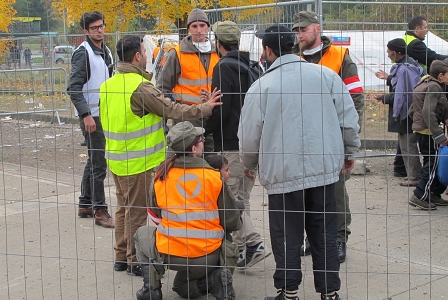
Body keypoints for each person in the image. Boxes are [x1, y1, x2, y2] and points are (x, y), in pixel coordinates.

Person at [239, 24, 360, 300]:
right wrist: (349, 152)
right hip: (323, 171)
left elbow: (248, 135)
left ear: (268, 50)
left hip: (283, 175)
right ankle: (329, 293)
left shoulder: (261, 86)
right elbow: (348, 120)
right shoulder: (326, 76)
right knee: (324, 233)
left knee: (286, 236)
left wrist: (249, 163)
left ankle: (288, 292)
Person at [99, 35, 223, 277]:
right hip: (139, 161)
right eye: (145, 53)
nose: (147, 57)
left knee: (123, 207)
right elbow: (171, 109)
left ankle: (121, 255)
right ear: (137, 56)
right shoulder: (140, 87)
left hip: (115, 158)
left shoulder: (109, 84)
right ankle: (135, 260)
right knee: (136, 210)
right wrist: (204, 109)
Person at [133, 121, 242, 300]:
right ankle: (215, 279)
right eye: (201, 140)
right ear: (194, 149)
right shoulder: (213, 178)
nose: (203, 143)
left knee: (141, 234)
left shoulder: (161, 177)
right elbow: (232, 221)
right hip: (206, 256)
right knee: (183, 287)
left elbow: (154, 214)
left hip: (169, 252)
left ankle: (151, 290)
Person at [292, 11, 365, 263]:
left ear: (317, 29)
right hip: (302, 135)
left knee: (335, 189)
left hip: (332, 136)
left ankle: (338, 238)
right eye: (296, 31)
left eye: (303, 29)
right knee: (306, 189)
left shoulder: (341, 58)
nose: (299, 34)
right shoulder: (293, 57)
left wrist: (349, 141)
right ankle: (314, 239)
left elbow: (356, 98)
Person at [204, 20, 271, 269]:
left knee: (229, 199)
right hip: (252, 143)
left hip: (231, 143)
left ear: (218, 43)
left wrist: (203, 126)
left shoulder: (223, 67)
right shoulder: (251, 67)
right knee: (241, 197)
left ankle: (252, 243)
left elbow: (222, 111)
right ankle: (244, 249)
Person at [67, 11, 114, 228]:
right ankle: (100, 210)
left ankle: (85, 203)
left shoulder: (105, 52)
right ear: (85, 31)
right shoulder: (83, 54)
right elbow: (73, 88)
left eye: (101, 26)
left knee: (93, 160)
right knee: (99, 164)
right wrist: (85, 114)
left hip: (102, 114)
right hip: (91, 117)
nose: (100, 30)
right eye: (94, 28)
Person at [157, 8, 219, 155]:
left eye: (202, 25)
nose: (199, 30)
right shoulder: (177, 53)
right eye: (194, 26)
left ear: (208, 27)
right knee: (189, 158)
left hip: (213, 114)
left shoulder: (217, 51)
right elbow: (163, 87)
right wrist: (167, 117)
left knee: (211, 156)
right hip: (187, 116)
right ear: (189, 29)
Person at [374, 38, 423, 187]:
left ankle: (414, 176)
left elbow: (403, 94)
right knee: (406, 145)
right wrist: (388, 78)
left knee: (408, 146)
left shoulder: (404, 69)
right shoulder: (409, 64)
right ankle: (412, 174)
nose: (388, 55)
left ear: (395, 52)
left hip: (406, 114)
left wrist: (384, 97)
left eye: (389, 52)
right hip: (410, 112)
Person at [408, 60, 448, 210]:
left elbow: (412, 111)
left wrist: (418, 124)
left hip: (422, 130)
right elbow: (426, 111)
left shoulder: (422, 85)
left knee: (432, 162)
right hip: (429, 132)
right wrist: (438, 134)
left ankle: (433, 194)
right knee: (431, 164)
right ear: (441, 75)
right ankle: (419, 196)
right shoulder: (434, 87)